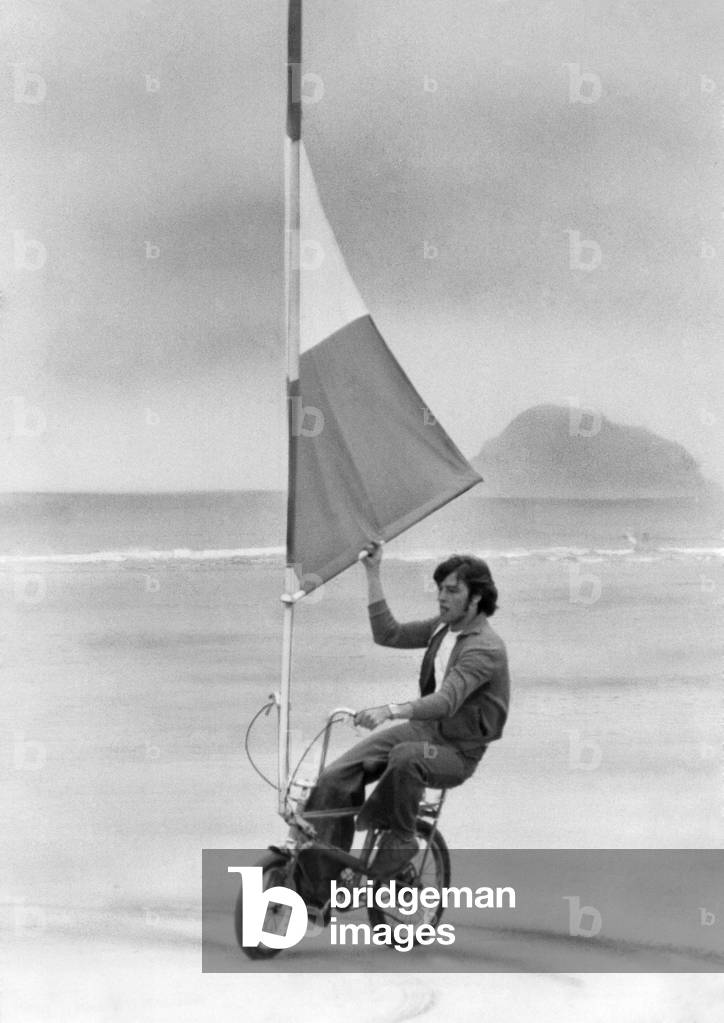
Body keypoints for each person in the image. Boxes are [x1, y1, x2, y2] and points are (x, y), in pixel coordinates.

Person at [302, 542, 510, 882]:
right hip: (423, 732)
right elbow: (388, 633)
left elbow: (446, 701)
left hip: (455, 752)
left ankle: (401, 837)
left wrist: (389, 710)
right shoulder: (442, 629)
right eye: (440, 589)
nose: (441, 597)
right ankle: (322, 875)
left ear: (476, 599)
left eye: (452, 591)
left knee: (406, 756)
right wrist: (373, 571)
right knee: (334, 778)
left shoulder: (485, 648)